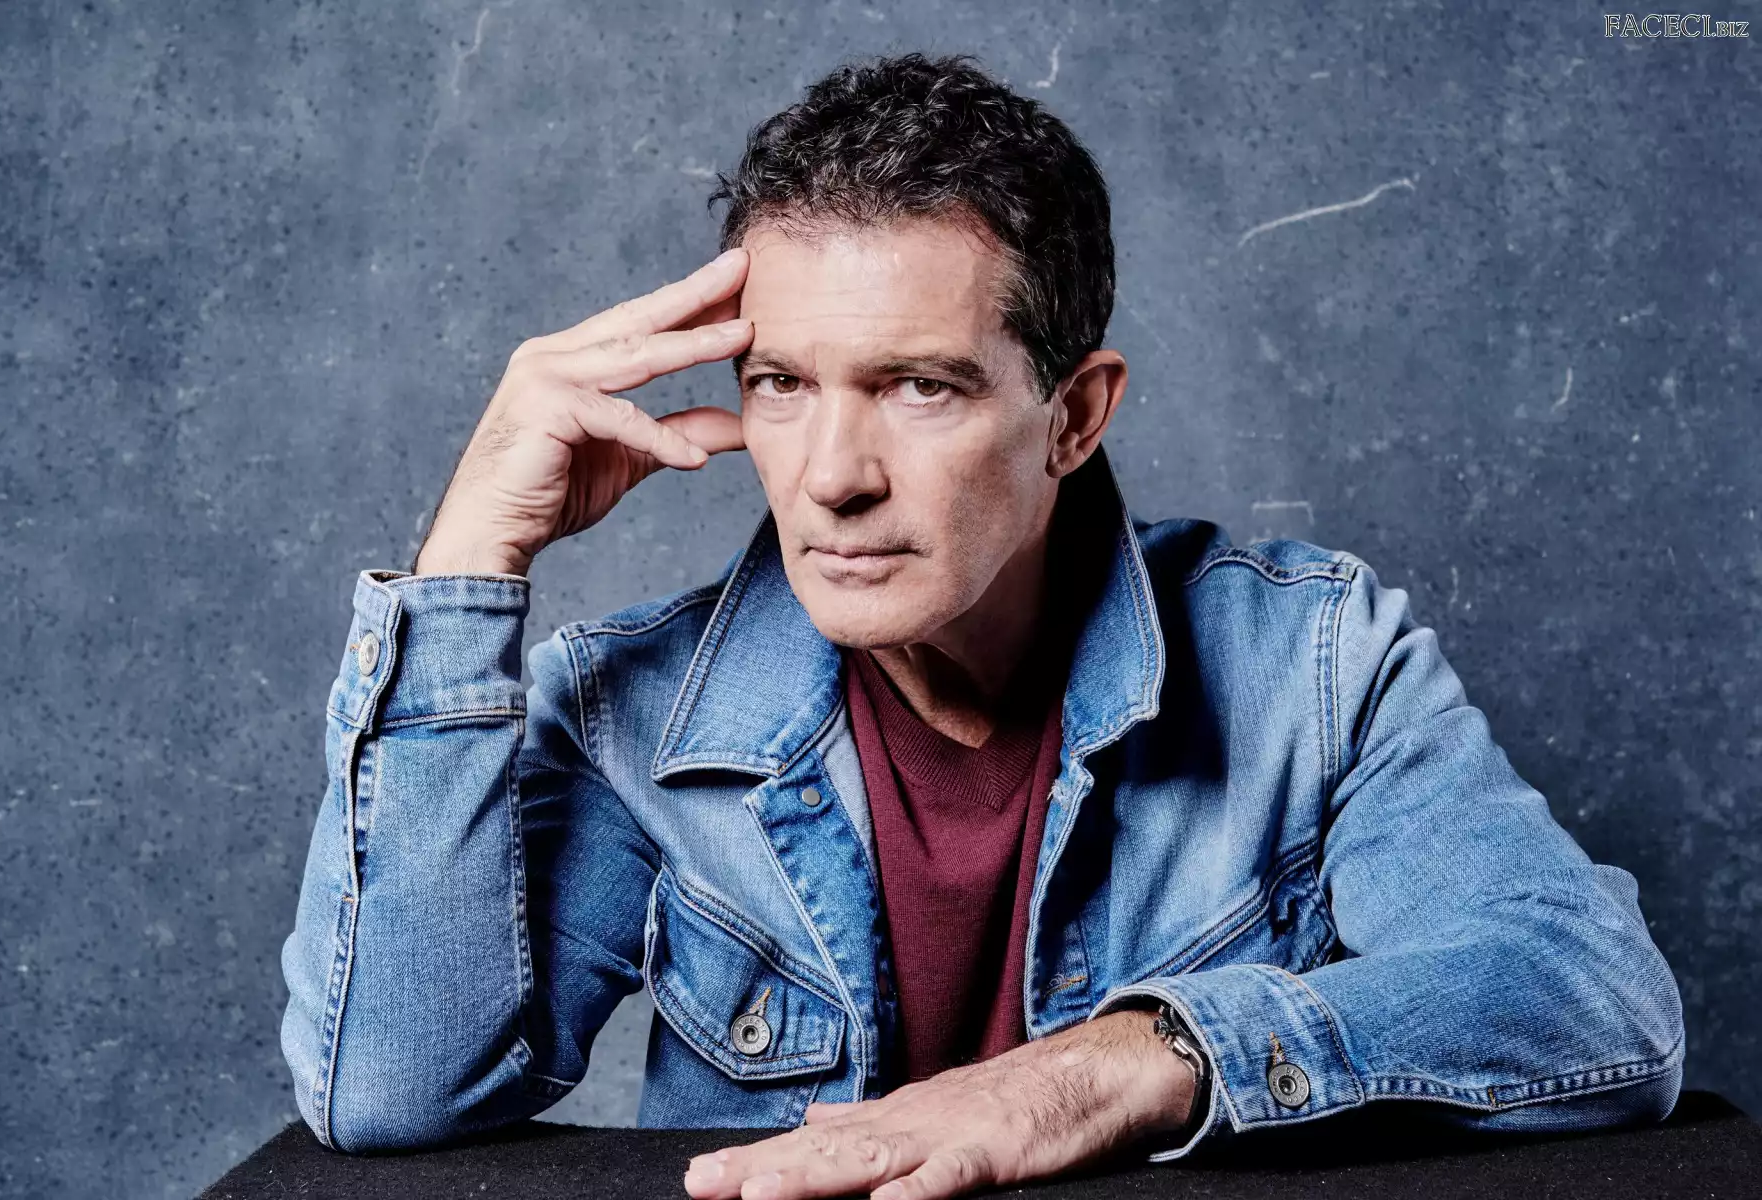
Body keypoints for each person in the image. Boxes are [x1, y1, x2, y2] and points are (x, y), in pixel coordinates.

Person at [279, 51, 1684, 1200]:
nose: (833, 476)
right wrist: (470, 563)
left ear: (1074, 416)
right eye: (781, 384)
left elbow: (1596, 1000)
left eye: (921, 387)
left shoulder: (1310, 666)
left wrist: (1118, 1067)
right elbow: (394, 1091)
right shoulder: (633, 708)